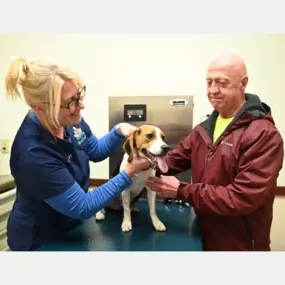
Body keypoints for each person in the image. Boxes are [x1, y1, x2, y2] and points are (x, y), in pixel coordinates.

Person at [5, 57, 151, 251]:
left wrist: (118, 130)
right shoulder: (34, 154)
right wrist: (128, 173)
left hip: (70, 225)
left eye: (79, 94)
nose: (81, 105)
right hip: (40, 239)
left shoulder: (67, 119)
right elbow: (82, 206)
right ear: (39, 107)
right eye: (71, 102)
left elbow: (94, 150)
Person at [147, 54, 284, 251]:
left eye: (222, 83)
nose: (213, 90)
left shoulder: (263, 134)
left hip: (240, 244)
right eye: (209, 82)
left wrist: (182, 190)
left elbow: (241, 197)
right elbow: (172, 160)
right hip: (203, 233)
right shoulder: (204, 129)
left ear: (243, 83)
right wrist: (143, 161)